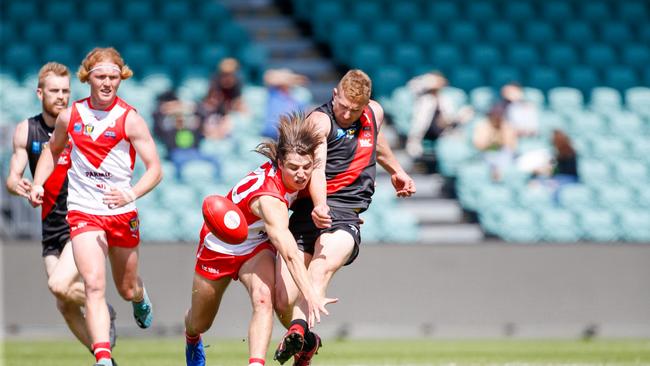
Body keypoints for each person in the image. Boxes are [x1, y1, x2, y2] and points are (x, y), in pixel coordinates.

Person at [29, 47, 162, 366]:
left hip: (121, 214)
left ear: (121, 78)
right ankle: (103, 358)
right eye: (100, 77)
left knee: (126, 287)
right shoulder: (71, 115)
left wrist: (130, 194)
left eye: (113, 77)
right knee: (93, 284)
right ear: (88, 78)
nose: (107, 83)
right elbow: (51, 151)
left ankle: (140, 298)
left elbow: (155, 169)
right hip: (84, 212)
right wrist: (37, 182)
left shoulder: (129, 119)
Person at [273, 69, 416, 365]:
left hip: (346, 211)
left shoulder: (374, 112)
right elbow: (318, 167)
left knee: (320, 269)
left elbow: (377, 143)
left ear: (367, 104)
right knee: (283, 299)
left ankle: (298, 330)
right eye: (344, 106)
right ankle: (307, 341)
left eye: (356, 109)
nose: (348, 113)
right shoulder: (320, 121)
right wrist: (319, 204)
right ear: (335, 94)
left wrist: (398, 171)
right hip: (309, 209)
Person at [184, 113, 336, 366]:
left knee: (264, 298)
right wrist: (310, 292)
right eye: (294, 168)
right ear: (279, 163)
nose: (301, 175)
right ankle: (191, 338)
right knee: (200, 321)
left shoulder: (302, 177)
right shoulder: (270, 199)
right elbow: (288, 252)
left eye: (307, 168)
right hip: (219, 246)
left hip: (255, 246)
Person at [5, 62, 117, 361]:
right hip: (49, 225)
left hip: (80, 218)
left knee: (58, 284)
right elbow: (12, 177)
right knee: (63, 302)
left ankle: (101, 312)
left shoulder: (80, 125)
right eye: (54, 91)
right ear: (39, 92)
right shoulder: (26, 130)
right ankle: (104, 354)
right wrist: (21, 186)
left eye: (66, 91)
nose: (61, 97)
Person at [405, 71, 473, 161]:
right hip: (425, 131)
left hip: (445, 130)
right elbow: (412, 86)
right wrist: (428, 81)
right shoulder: (424, 98)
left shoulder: (448, 97)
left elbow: (454, 115)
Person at [472, 104, 518, 181]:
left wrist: (501, 136)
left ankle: (500, 177)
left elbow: (512, 145)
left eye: (499, 115)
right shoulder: (482, 125)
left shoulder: (506, 125)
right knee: (490, 157)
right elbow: (479, 145)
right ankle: (495, 175)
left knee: (506, 156)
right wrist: (492, 142)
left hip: (503, 153)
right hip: (487, 153)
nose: (497, 117)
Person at [262, 68, 309, 140]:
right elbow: (268, 77)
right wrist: (288, 78)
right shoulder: (273, 92)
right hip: (269, 135)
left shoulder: (298, 95)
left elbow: (305, 81)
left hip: (290, 136)